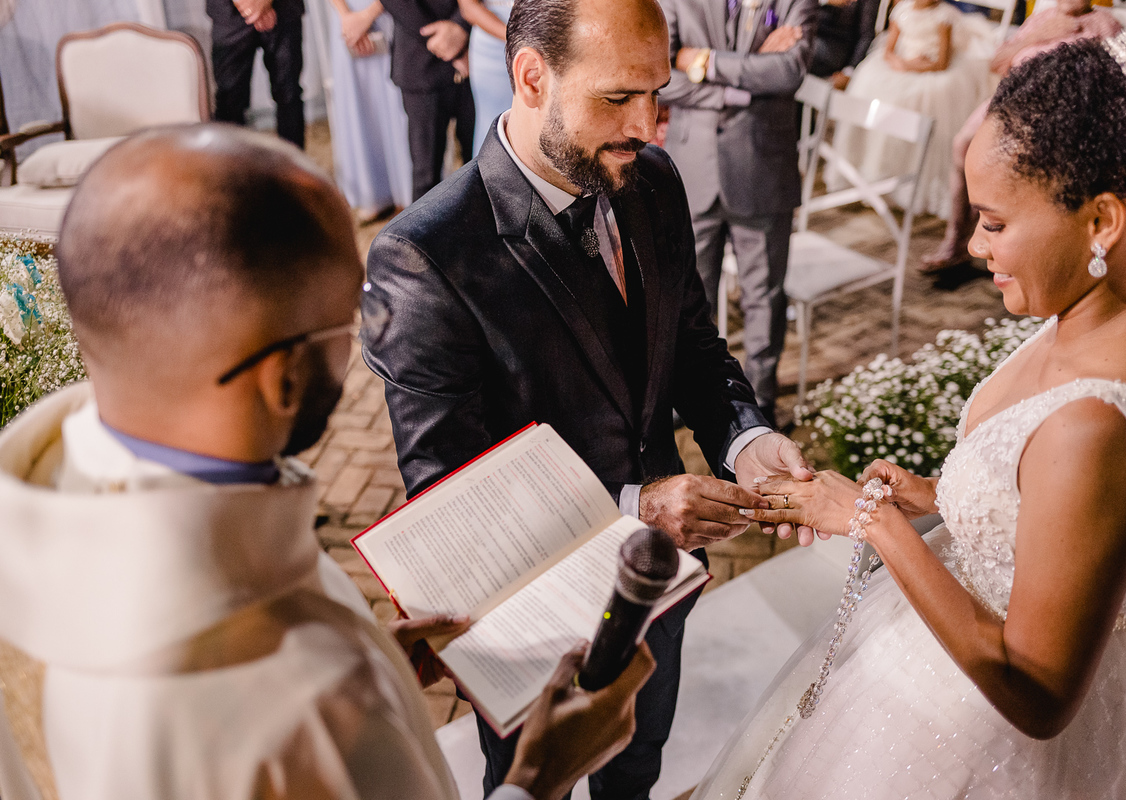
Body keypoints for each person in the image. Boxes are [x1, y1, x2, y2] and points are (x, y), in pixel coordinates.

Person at [0, 124, 656, 800]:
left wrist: (374, 650)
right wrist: (538, 778)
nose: (361, 338)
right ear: (283, 379)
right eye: (352, 314)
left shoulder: (33, 507)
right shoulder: (317, 709)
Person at [696, 3, 1126, 797]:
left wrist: (875, 523)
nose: (971, 246)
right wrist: (941, 497)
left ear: (1100, 219)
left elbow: (1036, 693)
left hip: (996, 742)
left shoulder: (1098, 428)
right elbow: (1080, 534)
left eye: (995, 224)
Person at [363, 0, 814, 795]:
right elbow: (450, 498)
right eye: (618, 98)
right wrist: (638, 506)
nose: (650, 126)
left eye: (658, 94)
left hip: (657, 587)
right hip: (529, 615)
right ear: (531, 76)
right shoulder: (426, 256)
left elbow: (693, 349)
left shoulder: (654, 180)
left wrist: (746, 439)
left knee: (638, 765)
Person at [659, 0, 817, 426]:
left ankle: (761, 399)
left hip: (762, 167)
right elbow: (660, 75)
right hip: (693, 168)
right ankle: (689, 395)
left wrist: (705, 61)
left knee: (764, 294)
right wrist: (744, 81)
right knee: (689, 297)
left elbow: (788, 72)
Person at [920, 0, 1119, 272]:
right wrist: (1040, 35)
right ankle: (956, 239)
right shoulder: (1042, 18)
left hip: (1059, 112)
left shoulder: (1105, 23)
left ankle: (1013, 249)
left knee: (1018, 164)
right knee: (963, 145)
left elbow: (1111, 81)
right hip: (1011, 99)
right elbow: (997, 62)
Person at [831, 0, 990, 219]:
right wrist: (899, 63)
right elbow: (889, 49)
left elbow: (942, 62)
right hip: (902, 63)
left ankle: (906, 185)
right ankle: (869, 175)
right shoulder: (902, 11)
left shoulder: (944, 16)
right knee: (872, 87)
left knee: (915, 99)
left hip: (930, 69)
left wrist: (914, 67)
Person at [325, 0, 415, 221]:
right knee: (359, 105)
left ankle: (408, 192)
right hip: (347, 18)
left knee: (396, 104)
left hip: (391, 11)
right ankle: (374, 193)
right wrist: (346, 16)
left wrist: (368, 15)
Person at [379, 0, 475, 201]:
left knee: (481, 162)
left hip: (474, 52)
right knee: (426, 174)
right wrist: (447, 42)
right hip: (420, 65)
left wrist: (461, 26)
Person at [207, 0, 306, 149]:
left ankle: (291, 169)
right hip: (228, 14)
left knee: (289, 94)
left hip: (284, 9)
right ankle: (236, 171)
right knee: (229, 101)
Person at [459, 0, 513, 156]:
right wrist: (518, 40)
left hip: (550, 32)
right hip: (493, 44)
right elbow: (468, 7)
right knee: (494, 127)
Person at [809, 0, 883, 90]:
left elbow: (866, 35)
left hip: (834, 46)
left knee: (800, 53)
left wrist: (849, 71)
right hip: (807, 35)